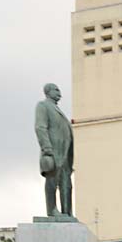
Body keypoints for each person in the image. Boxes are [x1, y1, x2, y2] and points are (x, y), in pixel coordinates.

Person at [34, 82, 74, 217]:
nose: (59, 93)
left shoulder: (59, 111)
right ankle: (52, 210)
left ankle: (67, 212)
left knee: (66, 184)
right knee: (52, 181)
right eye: (56, 90)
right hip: (53, 151)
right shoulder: (43, 106)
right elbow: (40, 127)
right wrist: (46, 147)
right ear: (48, 91)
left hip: (65, 153)